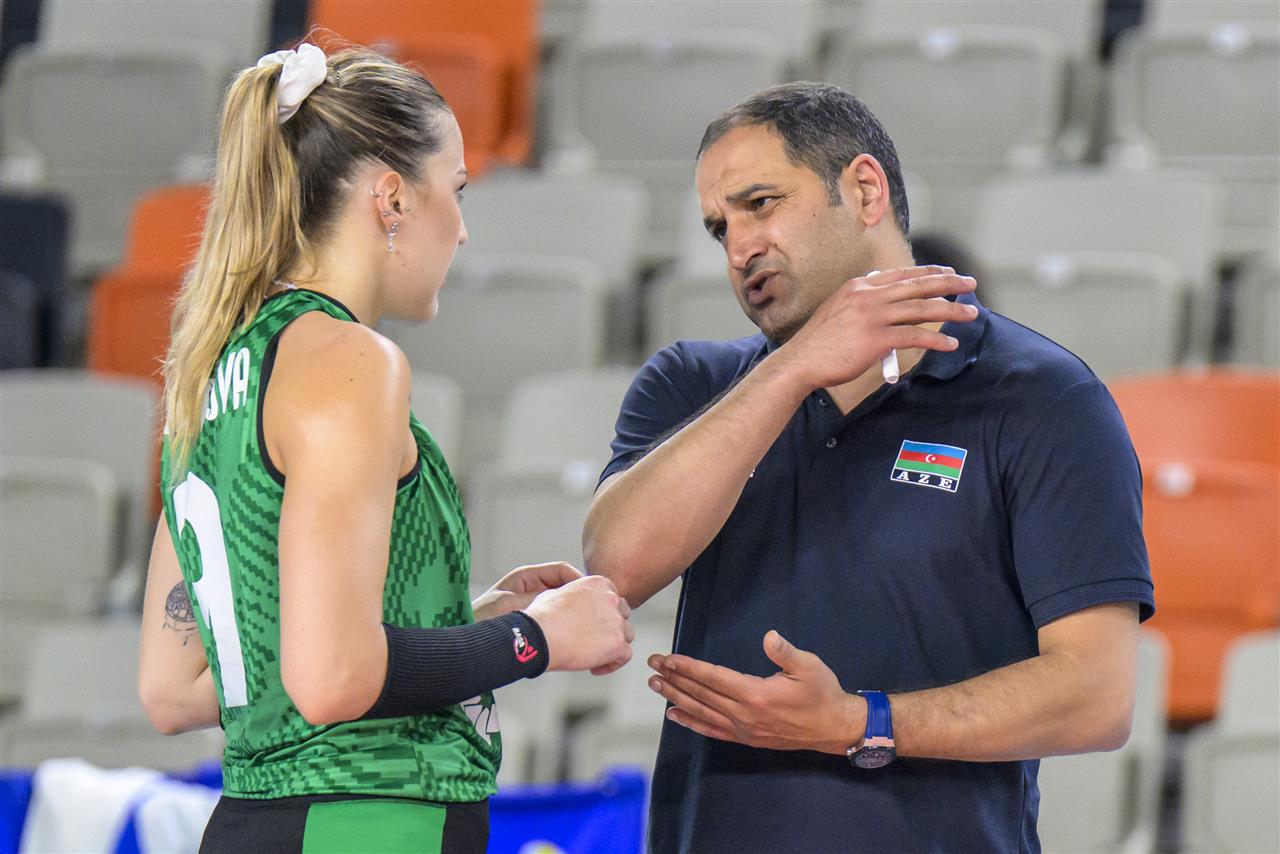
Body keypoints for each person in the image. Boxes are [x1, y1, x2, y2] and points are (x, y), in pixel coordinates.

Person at [583, 82, 1154, 853]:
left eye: (761, 204)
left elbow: (1096, 696)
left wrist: (858, 722)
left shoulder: (1044, 398)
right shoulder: (691, 385)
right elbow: (616, 568)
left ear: (864, 190)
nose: (740, 248)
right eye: (720, 228)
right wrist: (793, 369)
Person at [136, 43, 633, 853]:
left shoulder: (210, 372)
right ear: (392, 197)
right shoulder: (348, 362)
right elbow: (333, 677)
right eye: (457, 192)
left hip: (255, 823)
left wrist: (461, 622)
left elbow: (177, 686)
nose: (463, 231)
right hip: (365, 820)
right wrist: (536, 637)